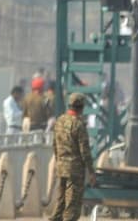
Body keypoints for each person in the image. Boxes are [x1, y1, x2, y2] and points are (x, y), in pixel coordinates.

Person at [50, 92, 95, 221]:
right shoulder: (78, 125)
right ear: (81, 107)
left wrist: (59, 161)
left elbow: (54, 144)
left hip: (61, 167)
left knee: (60, 202)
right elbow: (84, 151)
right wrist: (91, 171)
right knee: (72, 205)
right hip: (74, 170)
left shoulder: (59, 120)